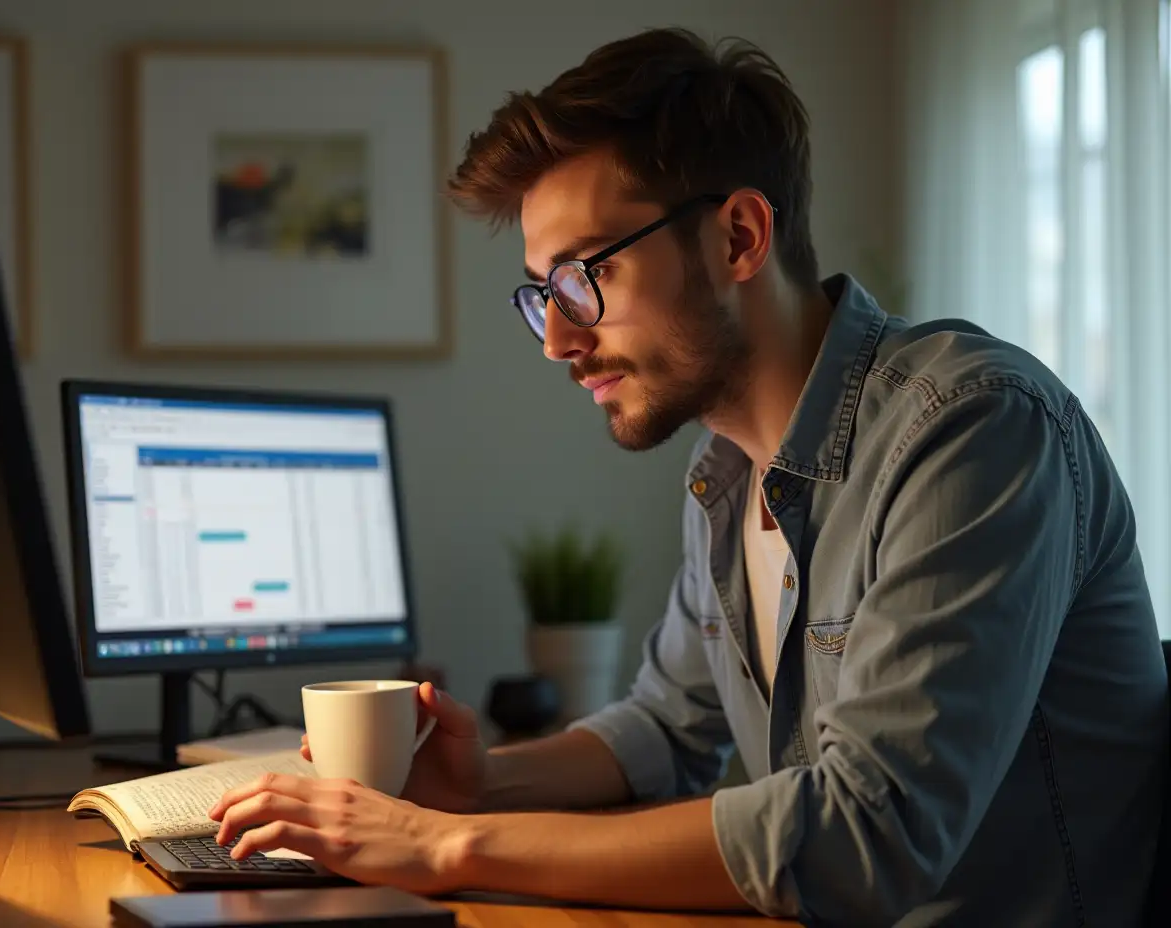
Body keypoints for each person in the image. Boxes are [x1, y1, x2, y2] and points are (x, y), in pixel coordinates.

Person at [207, 27, 1169, 926]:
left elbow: (870, 832)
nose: (557, 338)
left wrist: (448, 844)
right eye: (542, 293)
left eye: (587, 277)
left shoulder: (973, 428)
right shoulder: (725, 474)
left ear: (741, 238)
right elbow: (667, 731)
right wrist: (481, 782)